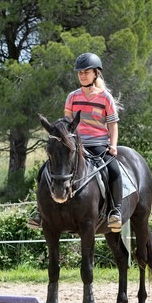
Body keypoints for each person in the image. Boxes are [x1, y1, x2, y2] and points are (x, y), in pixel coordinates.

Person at [28, 52, 123, 231]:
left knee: (114, 170)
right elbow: (67, 124)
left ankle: (115, 212)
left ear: (96, 73)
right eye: (80, 72)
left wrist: (113, 145)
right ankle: (40, 211)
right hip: (73, 143)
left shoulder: (105, 98)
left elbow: (113, 124)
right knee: (44, 170)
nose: (82, 75)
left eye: (86, 72)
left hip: (97, 143)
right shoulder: (72, 96)